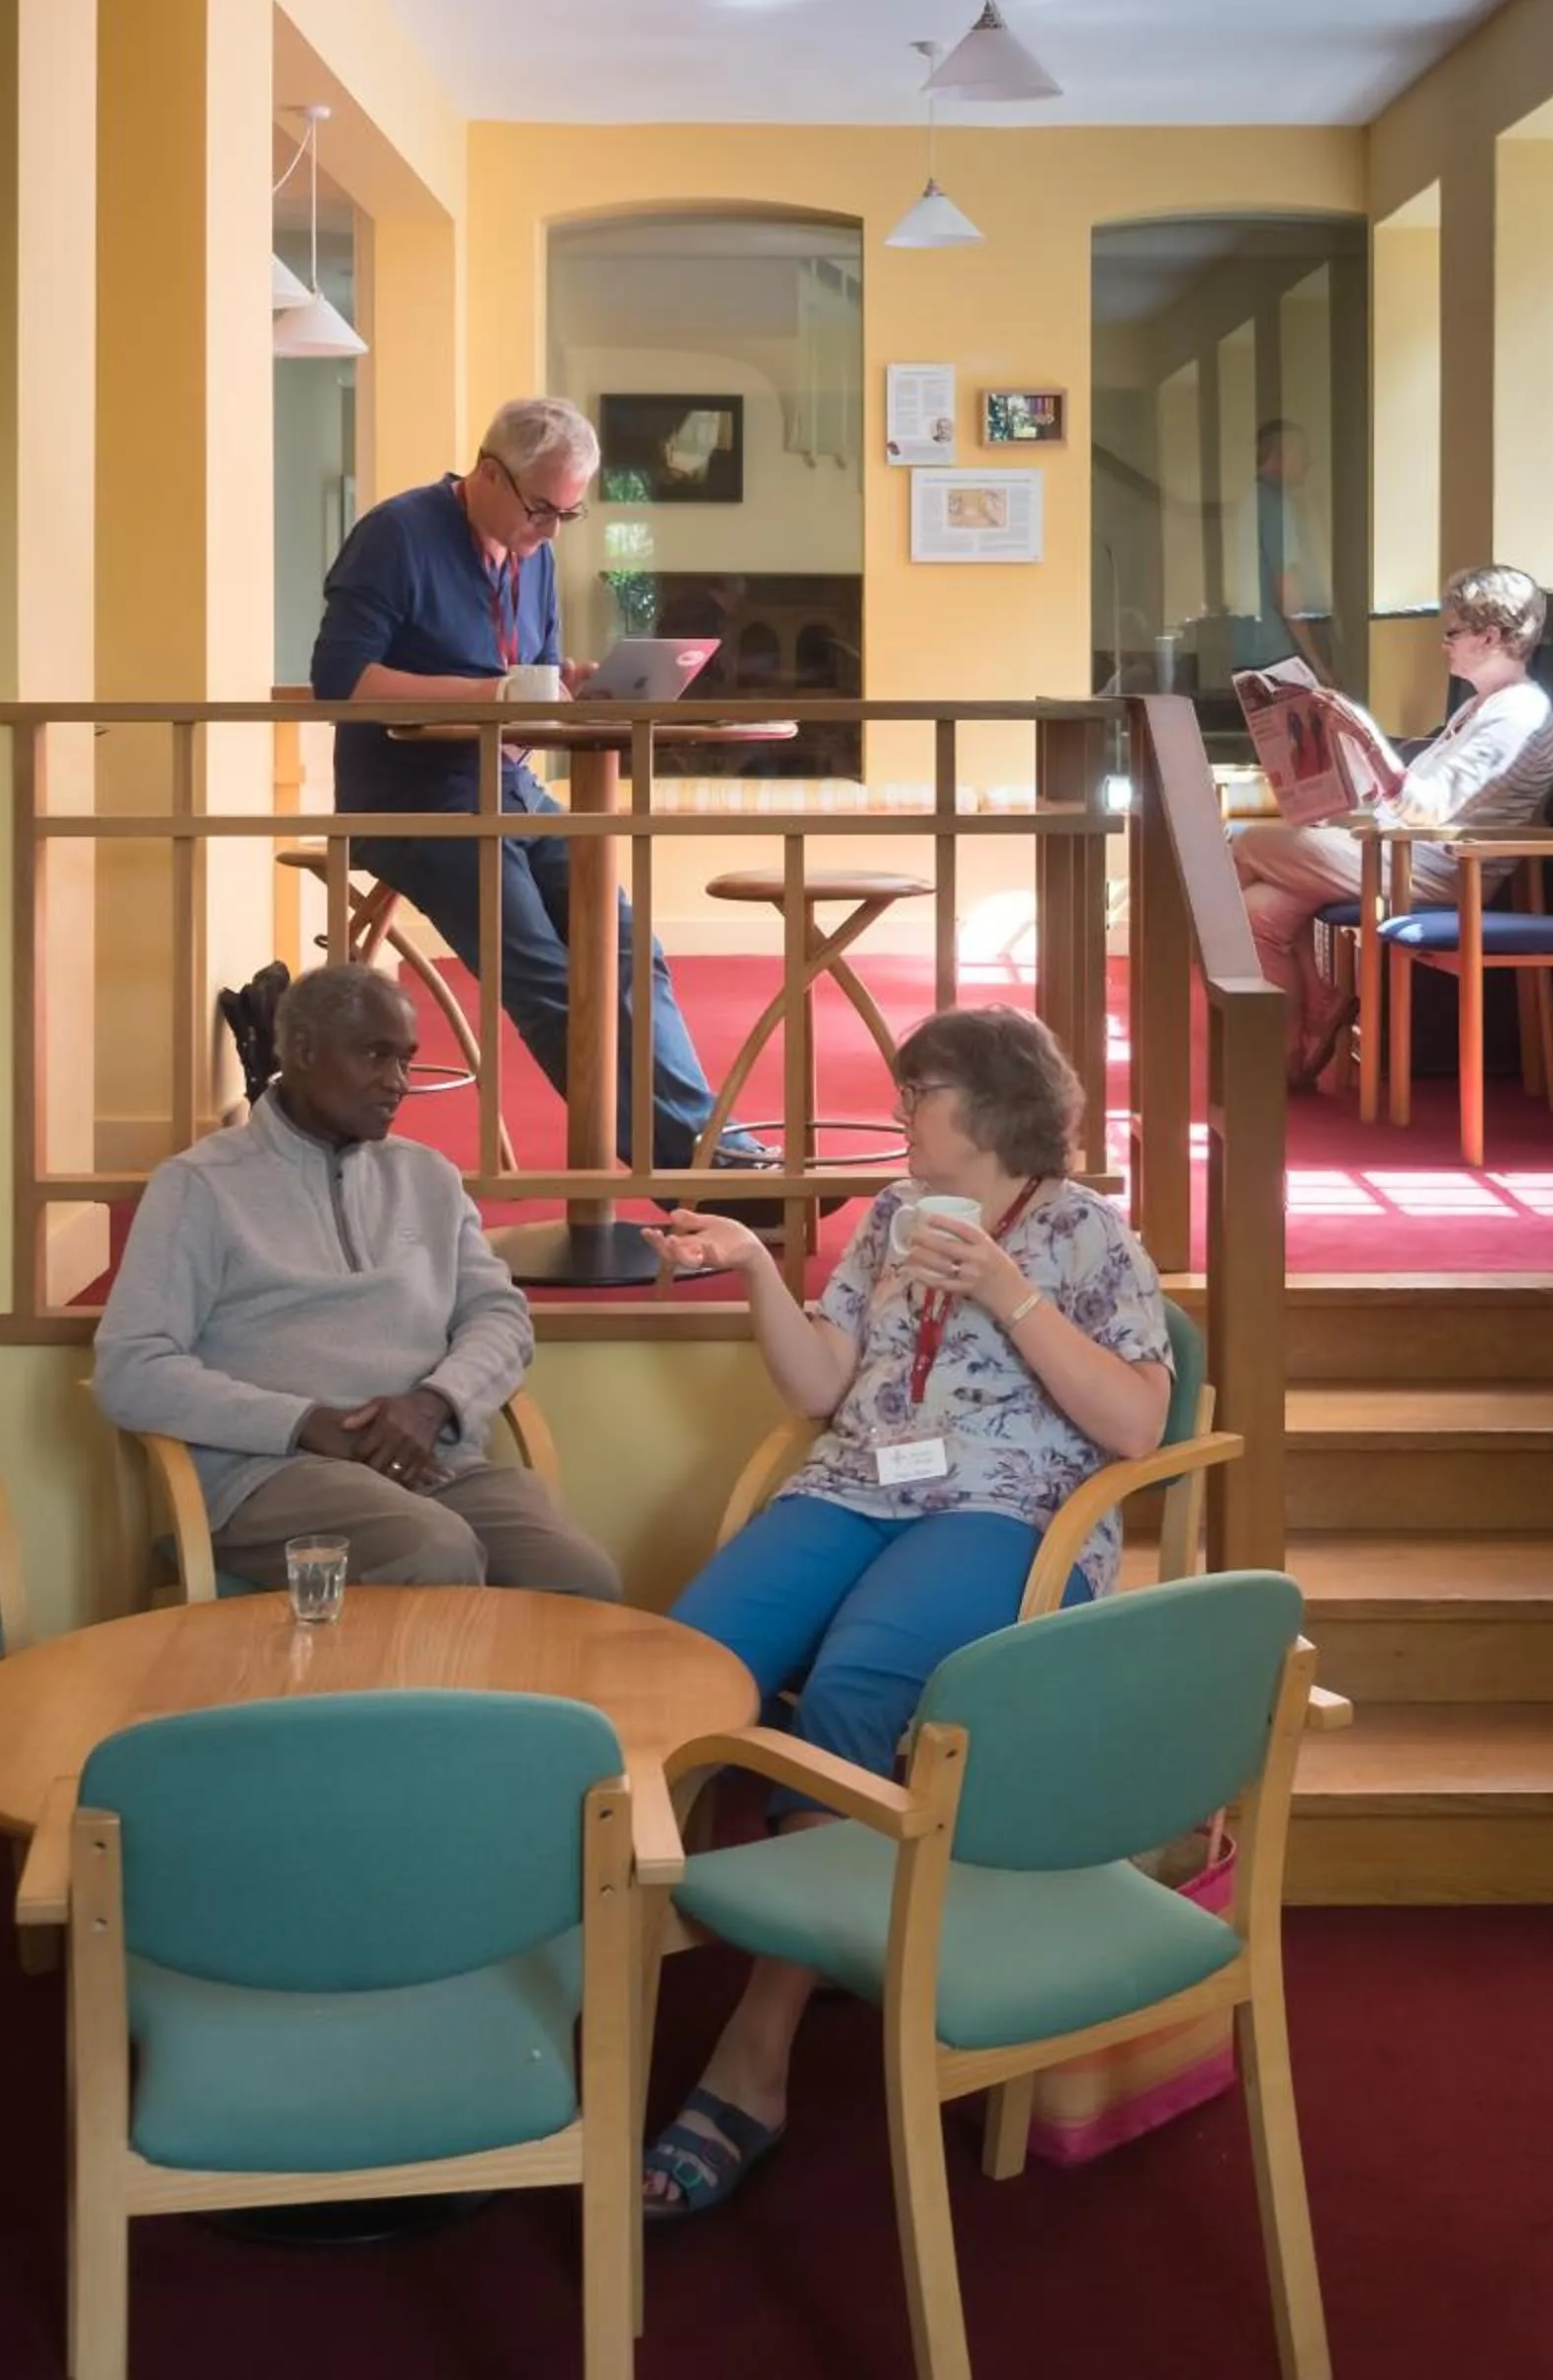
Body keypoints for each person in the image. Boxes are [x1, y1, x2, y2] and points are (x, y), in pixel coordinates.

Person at [635, 1005, 1171, 2220]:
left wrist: (1009, 1291)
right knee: (685, 1659)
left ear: (985, 1110)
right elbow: (826, 1384)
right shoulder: (886, 1216)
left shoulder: (1087, 1234)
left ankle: (754, 2054)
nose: (897, 1114)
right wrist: (760, 1268)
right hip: (860, 1482)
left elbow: (1138, 1426)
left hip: (1009, 1509)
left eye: (915, 1093)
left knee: (857, 1688)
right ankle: (631, 1951)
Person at [309, 395, 772, 1197]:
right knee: (548, 976)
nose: (551, 530)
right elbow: (340, 682)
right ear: (490, 473)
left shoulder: (537, 557)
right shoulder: (397, 534)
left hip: (512, 788)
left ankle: (708, 1139)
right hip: (413, 802)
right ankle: (690, 1173)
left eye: (569, 512)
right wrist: (489, 698)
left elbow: (538, 679)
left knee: (630, 949)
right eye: (541, 509)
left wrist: (572, 690)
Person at [94, 964, 618, 1598]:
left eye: (406, 1061)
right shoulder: (200, 1186)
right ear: (306, 1051)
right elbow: (132, 1367)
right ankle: (427, 1701)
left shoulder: (428, 1178)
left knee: (580, 1580)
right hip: (272, 1474)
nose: (397, 1083)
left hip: (428, 1460)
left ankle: (516, 1702)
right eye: (375, 1056)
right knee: (432, 1550)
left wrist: (434, 1403)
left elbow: (500, 1317)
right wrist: (304, 1421)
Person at [1233, 560, 1553, 1088]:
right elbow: (1403, 800)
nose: (1444, 644)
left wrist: (1364, 736)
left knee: (1241, 843)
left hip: (1436, 869)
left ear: (1490, 635)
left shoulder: (1516, 713)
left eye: (1452, 632)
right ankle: (1291, 1056)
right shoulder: (1482, 707)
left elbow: (1425, 809)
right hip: (1397, 851)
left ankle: (1309, 1011)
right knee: (1255, 915)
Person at [1248, 417, 1335, 681]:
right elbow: (1287, 594)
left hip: (1247, 656)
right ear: (1280, 455)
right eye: (1302, 454)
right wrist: (1317, 665)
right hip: (1276, 657)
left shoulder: (1246, 503)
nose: (1308, 463)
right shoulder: (1276, 507)